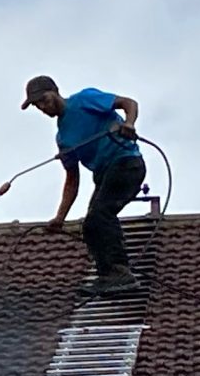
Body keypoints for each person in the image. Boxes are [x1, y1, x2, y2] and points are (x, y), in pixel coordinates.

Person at [21, 74, 144, 294]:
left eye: (44, 99)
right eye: (37, 105)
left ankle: (120, 275)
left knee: (100, 215)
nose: (43, 107)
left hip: (126, 163)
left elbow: (129, 103)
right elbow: (72, 180)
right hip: (105, 174)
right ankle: (109, 276)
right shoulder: (63, 139)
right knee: (90, 226)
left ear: (55, 91)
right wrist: (60, 218)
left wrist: (129, 124)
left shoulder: (84, 100)